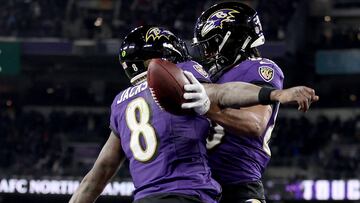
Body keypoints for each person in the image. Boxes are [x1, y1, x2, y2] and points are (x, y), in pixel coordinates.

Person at [69, 26, 318, 203]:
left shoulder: (120, 104)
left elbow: (97, 176)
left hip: (145, 197)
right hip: (189, 192)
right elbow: (221, 93)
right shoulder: (179, 75)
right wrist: (273, 95)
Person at [192, 2, 317, 203]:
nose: (207, 53)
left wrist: (207, 108)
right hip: (203, 186)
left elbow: (254, 124)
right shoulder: (212, 77)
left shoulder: (258, 68)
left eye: (212, 45)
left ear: (234, 39)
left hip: (238, 184)